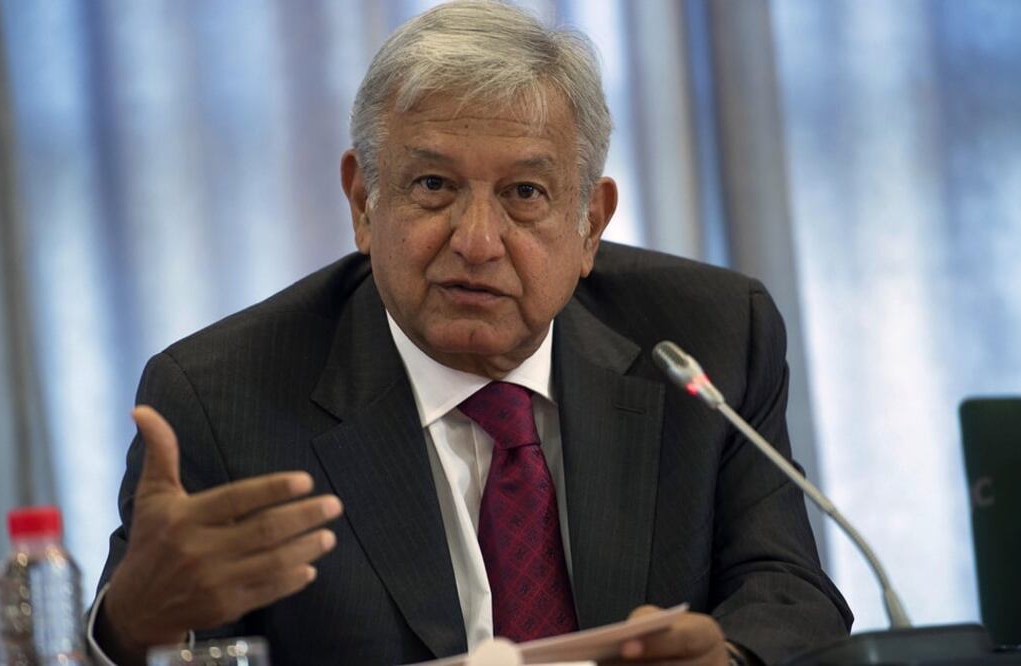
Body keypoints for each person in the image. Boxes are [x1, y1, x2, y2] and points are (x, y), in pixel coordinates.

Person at [90, 2, 852, 664]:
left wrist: (720, 658)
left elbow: (785, 587)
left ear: (590, 224)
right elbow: (170, 640)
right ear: (362, 202)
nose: (477, 241)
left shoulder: (706, 338)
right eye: (432, 186)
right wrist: (130, 628)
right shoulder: (221, 399)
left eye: (524, 193)